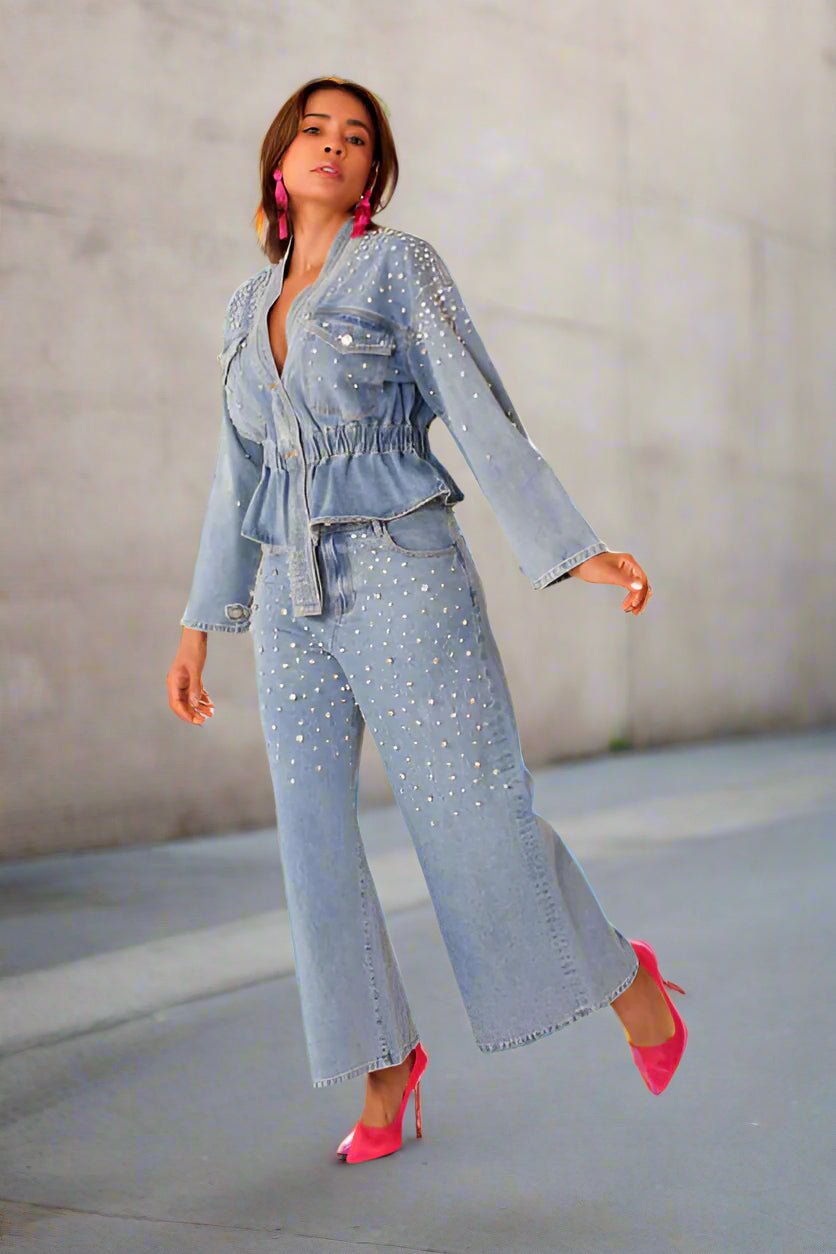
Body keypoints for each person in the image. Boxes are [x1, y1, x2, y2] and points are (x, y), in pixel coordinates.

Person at [166, 75, 688, 1165]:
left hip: (402, 571)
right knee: (312, 844)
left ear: (372, 171)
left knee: (472, 814)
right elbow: (239, 472)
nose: (333, 146)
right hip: (289, 594)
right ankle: (383, 1068)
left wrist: (569, 546)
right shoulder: (242, 308)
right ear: (279, 159)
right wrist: (201, 621)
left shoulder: (399, 267)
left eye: (356, 138)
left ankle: (623, 977)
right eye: (314, 130)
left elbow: (475, 405)